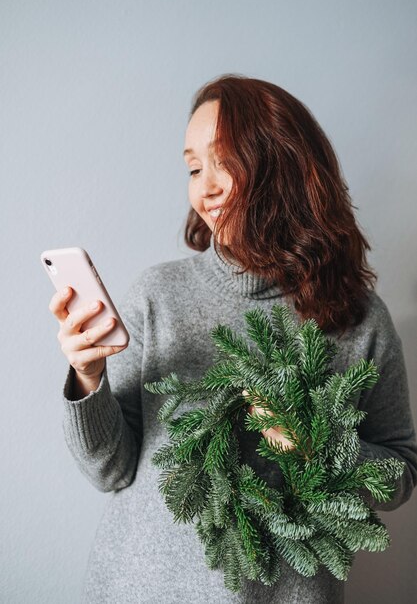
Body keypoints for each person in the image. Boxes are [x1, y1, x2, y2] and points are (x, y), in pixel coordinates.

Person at [49, 74, 417, 603]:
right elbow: (110, 469)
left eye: (225, 161)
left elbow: (400, 474)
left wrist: (314, 444)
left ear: (285, 165)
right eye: (194, 167)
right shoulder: (158, 295)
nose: (206, 187)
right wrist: (88, 379)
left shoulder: (360, 320)